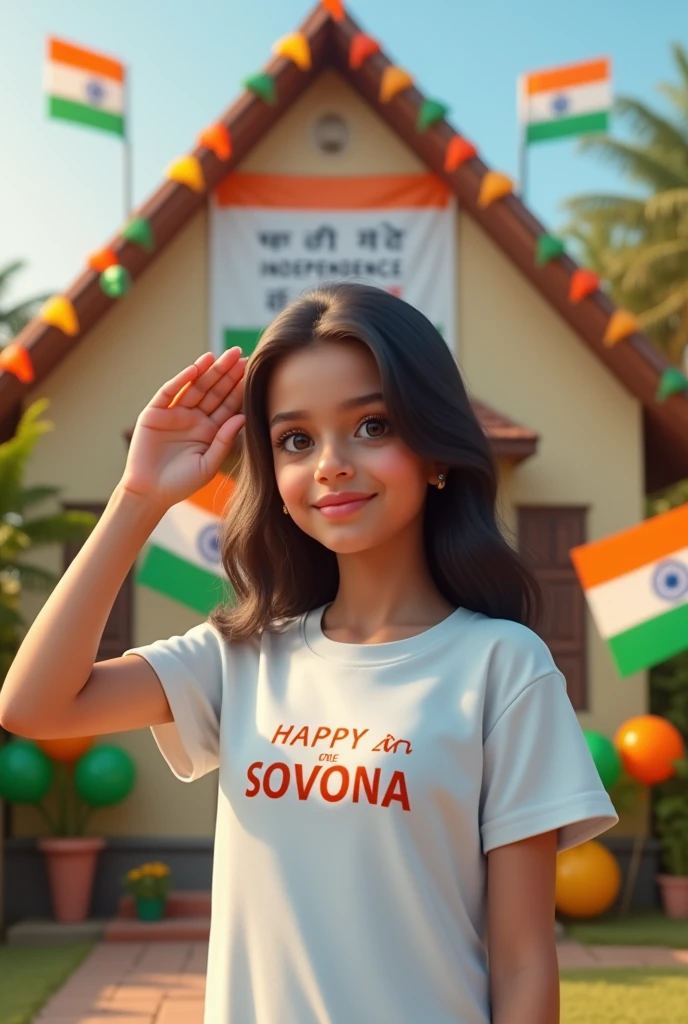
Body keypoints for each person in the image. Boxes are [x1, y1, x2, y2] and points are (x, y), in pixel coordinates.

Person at [0, 282, 618, 1024]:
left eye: (373, 424)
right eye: (296, 439)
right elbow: (33, 706)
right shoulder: (240, 655)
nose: (329, 463)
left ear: (437, 455)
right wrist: (138, 499)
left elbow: (523, 963)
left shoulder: (503, 668)